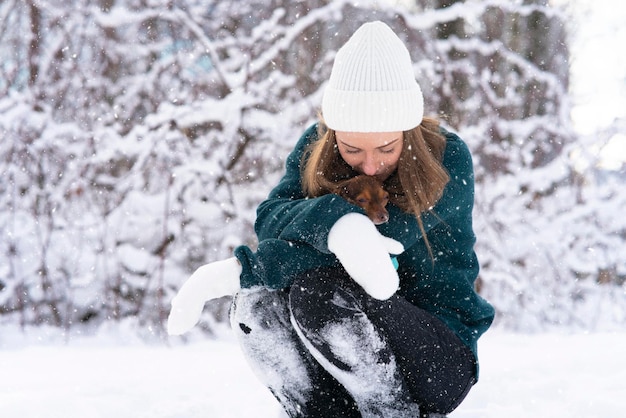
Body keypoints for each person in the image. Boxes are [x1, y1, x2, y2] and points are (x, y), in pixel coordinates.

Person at [168, 21, 495, 418]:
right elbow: (270, 218)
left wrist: (244, 269)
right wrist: (335, 219)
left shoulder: (446, 158)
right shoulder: (316, 144)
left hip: (439, 355)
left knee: (318, 288)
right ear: (334, 131)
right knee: (259, 305)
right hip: (347, 346)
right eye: (353, 148)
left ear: (408, 132)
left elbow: (367, 255)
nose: (371, 165)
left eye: (387, 148)